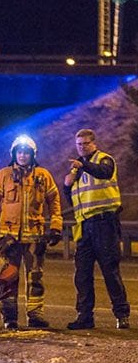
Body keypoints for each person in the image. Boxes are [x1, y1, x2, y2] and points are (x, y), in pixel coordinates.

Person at [0, 135, 63, 330]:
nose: (22, 155)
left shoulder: (43, 176)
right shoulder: (3, 175)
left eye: (26, 152)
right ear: (13, 154)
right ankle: (9, 318)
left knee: (35, 277)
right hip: (8, 238)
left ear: (32, 155)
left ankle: (35, 315)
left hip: (35, 237)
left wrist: (56, 226)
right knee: (8, 278)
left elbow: (55, 202)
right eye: (19, 152)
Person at [63, 129, 130, 330]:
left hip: (104, 223)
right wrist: (67, 185)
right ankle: (85, 317)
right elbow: (74, 198)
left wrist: (82, 165)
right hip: (84, 226)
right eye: (79, 144)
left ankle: (122, 314)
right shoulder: (78, 170)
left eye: (85, 143)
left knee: (110, 270)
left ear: (94, 143)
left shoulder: (104, 160)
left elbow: (104, 173)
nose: (82, 147)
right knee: (82, 274)